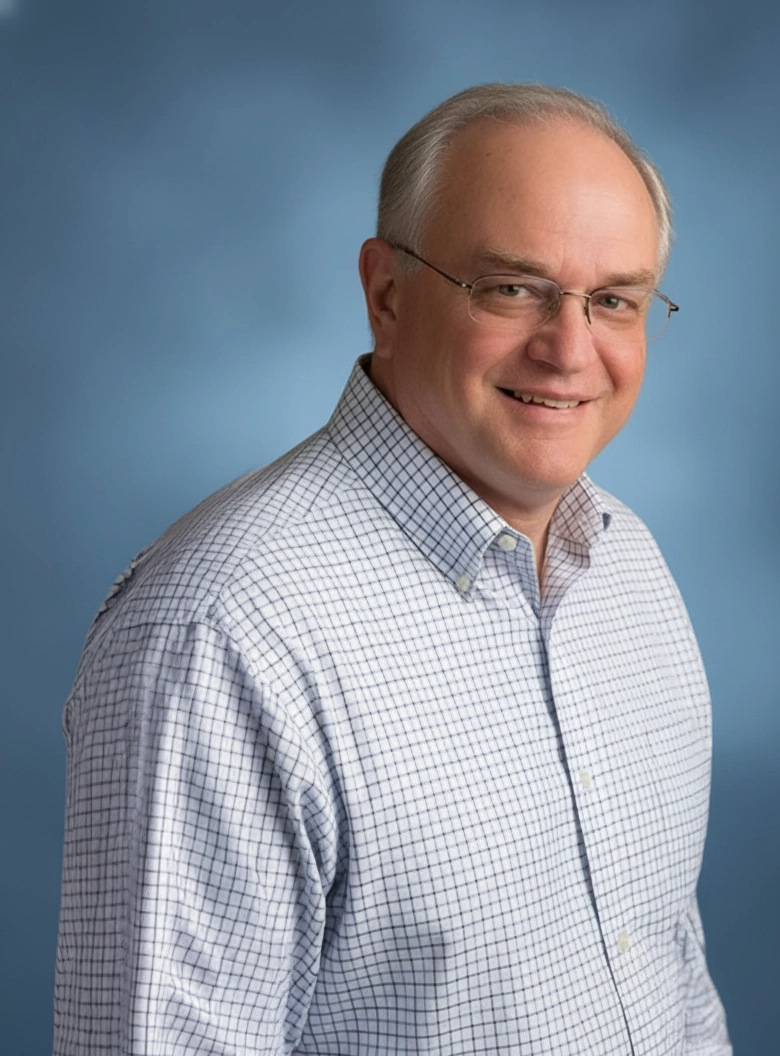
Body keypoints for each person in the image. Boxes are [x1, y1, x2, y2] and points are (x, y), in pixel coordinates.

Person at [54, 83, 732, 1055]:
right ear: (386, 293)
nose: (568, 351)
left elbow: (670, 976)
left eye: (613, 302)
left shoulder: (626, 565)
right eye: (511, 288)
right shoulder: (220, 636)